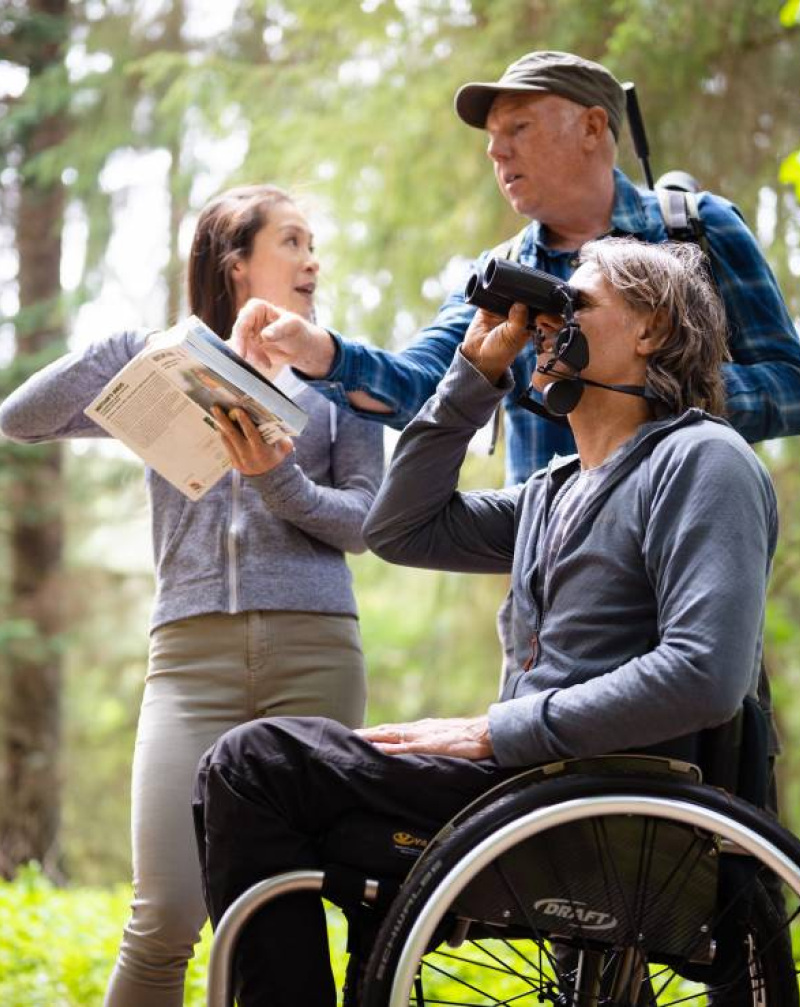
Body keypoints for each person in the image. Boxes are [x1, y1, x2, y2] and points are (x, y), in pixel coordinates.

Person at [193, 237, 778, 1007]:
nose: (545, 323)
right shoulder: (552, 490)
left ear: (652, 329)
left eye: (576, 302)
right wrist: (472, 378)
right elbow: (399, 529)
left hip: (598, 801)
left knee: (257, 763)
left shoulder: (704, 459)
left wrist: (496, 730)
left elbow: (705, 672)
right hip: (532, 788)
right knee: (254, 775)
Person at [0, 184, 384, 1007]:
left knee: (286, 910)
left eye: (314, 243)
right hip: (189, 658)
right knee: (166, 912)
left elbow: (363, 522)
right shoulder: (167, 367)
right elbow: (20, 418)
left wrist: (277, 480)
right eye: (292, 240)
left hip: (314, 655)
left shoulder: (343, 381)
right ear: (235, 262)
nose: (313, 258)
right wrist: (133, 349)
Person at [230, 50, 800, 489]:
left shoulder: (695, 229)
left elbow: (790, 385)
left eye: (518, 129)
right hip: (552, 576)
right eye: (492, 139)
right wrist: (319, 353)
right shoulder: (502, 272)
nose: (495, 153)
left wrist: (655, 393)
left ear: (593, 128)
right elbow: (423, 388)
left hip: (688, 547)